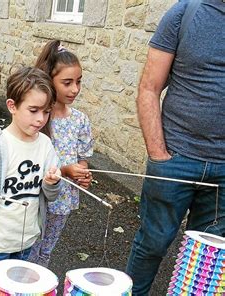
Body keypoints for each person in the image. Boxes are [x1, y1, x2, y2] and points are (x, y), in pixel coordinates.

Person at [126, 1, 225, 294]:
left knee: (207, 263)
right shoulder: (186, 13)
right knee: (152, 245)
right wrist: (159, 155)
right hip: (175, 158)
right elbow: (149, 87)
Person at [0, 66, 62, 296]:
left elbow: (51, 196)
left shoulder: (46, 145)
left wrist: (52, 183)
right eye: (33, 110)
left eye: (46, 111)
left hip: (27, 242)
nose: (41, 118)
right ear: (12, 106)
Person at [27, 40, 94, 267]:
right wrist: (65, 171)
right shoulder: (37, 119)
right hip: (35, 199)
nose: (75, 89)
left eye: (78, 82)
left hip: (63, 200)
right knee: (28, 250)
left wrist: (82, 174)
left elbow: (82, 158)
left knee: (45, 251)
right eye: (67, 83)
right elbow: (28, 164)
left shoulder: (80, 120)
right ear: (49, 80)